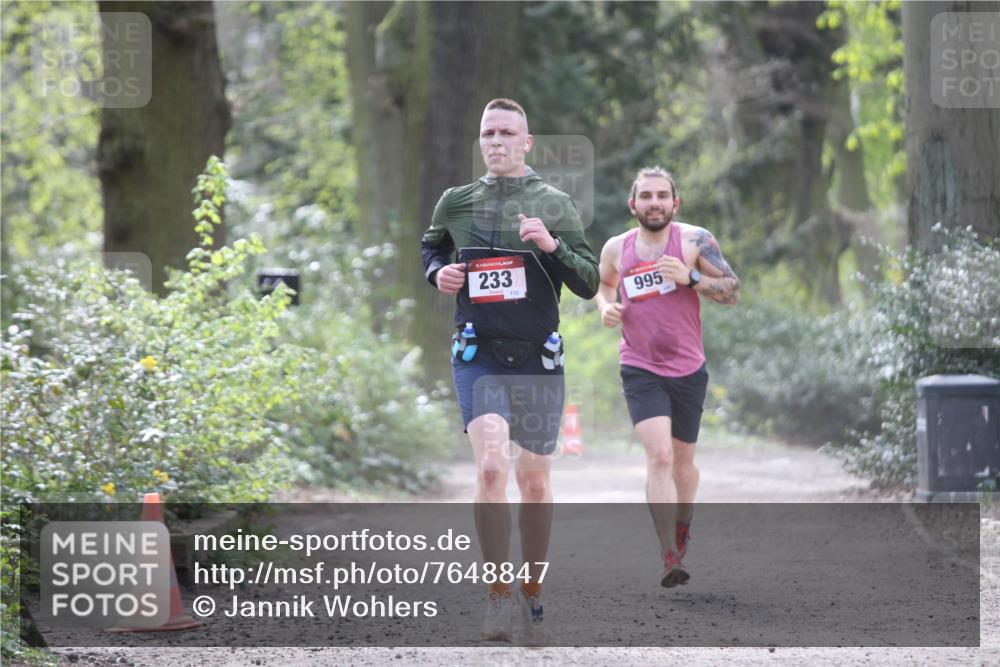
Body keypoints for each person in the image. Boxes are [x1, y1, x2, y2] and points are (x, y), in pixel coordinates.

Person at [420, 98, 599, 643]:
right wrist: (438, 274)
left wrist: (550, 244)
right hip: (479, 353)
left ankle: (532, 589)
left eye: (507, 133)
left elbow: (589, 282)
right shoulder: (456, 202)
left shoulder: (555, 203)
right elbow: (430, 249)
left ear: (527, 143)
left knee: (535, 481)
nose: (496, 141)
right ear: (481, 142)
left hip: (539, 356)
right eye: (488, 133)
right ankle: (497, 595)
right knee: (493, 469)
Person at [594, 166, 740, 588]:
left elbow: (733, 291)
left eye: (662, 196)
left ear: (675, 203)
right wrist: (606, 307)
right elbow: (604, 285)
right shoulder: (616, 248)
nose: (654, 202)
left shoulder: (695, 241)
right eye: (646, 196)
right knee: (658, 456)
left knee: (683, 465)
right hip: (639, 365)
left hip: (688, 368)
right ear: (633, 204)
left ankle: (683, 519)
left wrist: (691, 278)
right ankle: (668, 554)